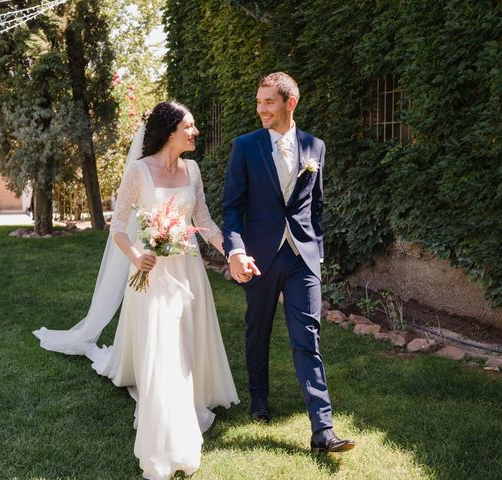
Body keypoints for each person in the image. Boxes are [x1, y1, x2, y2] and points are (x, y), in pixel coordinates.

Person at [34, 101, 239, 479]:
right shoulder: (138, 171)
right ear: (170, 130)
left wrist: (233, 252)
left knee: (186, 337)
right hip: (151, 273)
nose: (196, 132)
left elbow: (204, 221)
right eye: (189, 126)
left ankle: (190, 393)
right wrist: (137, 256)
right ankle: (167, 420)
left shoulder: (193, 170)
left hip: (189, 271)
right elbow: (120, 227)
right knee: (164, 345)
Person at [222, 72, 355, 453]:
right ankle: (259, 400)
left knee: (307, 338)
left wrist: (318, 253)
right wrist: (236, 250)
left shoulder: (316, 147)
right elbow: (232, 206)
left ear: (290, 103)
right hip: (259, 257)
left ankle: (323, 430)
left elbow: (316, 207)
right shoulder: (245, 146)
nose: (260, 109)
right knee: (257, 330)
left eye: (268, 102)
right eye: (259, 101)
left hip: (303, 258)